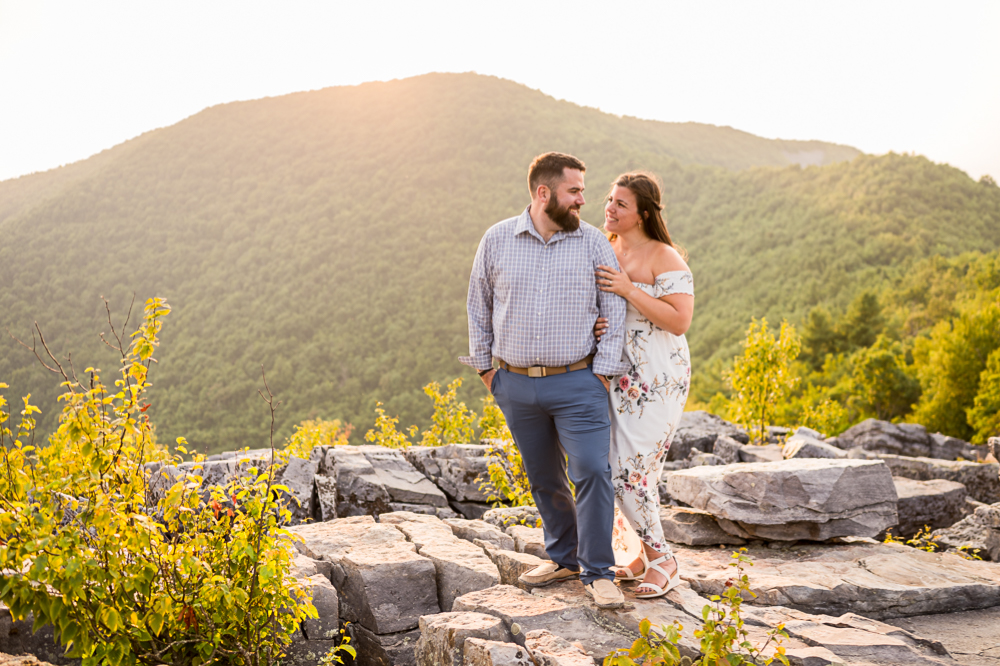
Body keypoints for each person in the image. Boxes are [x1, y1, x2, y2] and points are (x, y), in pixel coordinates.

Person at [460, 152, 631, 609]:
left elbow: (613, 309)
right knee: (544, 479)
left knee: (593, 471)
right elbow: (478, 306)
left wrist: (604, 375)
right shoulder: (496, 240)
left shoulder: (594, 243)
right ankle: (563, 557)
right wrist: (487, 372)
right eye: (574, 191)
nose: (582, 200)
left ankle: (598, 571)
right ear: (543, 193)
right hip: (515, 385)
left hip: (580, 383)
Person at [593, 172, 694, 599]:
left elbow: (678, 320)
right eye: (610, 200)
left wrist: (629, 290)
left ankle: (664, 559)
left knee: (629, 470)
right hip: (617, 373)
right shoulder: (606, 248)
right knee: (613, 464)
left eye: (621, 204)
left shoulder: (664, 256)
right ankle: (639, 554)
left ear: (643, 214)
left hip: (658, 376)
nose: (610, 209)